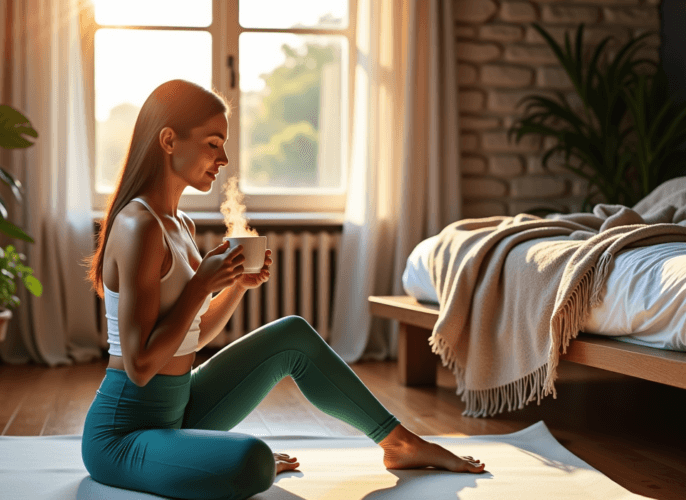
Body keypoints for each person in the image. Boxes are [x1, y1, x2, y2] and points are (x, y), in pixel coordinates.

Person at [82, 79, 485, 500]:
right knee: (253, 459)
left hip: (180, 409)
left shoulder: (180, 224)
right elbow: (140, 365)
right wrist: (202, 284)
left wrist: (234, 286)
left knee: (291, 334)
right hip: (123, 435)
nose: (223, 158)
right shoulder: (139, 226)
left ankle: (398, 442)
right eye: (213, 143)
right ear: (168, 140)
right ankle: (214, 458)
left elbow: (191, 335)